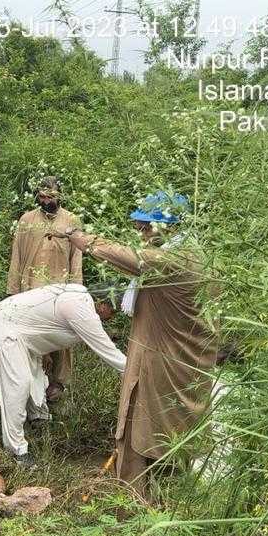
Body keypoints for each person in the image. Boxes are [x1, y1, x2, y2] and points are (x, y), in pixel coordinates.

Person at [53, 191, 218, 496]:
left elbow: (129, 258)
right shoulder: (196, 253)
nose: (140, 234)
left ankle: (132, 502)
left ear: (167, 227)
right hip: (183, 362)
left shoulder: (175, 259)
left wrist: (79, 237)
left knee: (139, 429)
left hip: (161, 361)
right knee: (172, 433)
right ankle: (167, 497)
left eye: (146, 227)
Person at [0, 284, 127, 469]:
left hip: (25, 331)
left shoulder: (80, 297)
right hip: (7, 324)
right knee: (19, 385)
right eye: (113, 313)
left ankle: (38, 419)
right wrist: (134, 373)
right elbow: (107, 350)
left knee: (37, 378)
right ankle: (16, 450)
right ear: (103, 305)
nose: (111, 319)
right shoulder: (81, 308)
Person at [6, 176, 83, 403]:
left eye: (50, 196)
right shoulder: (27, 220)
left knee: (62, 336)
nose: (46, 200)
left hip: (60, 288)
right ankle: (36, 379)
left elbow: (76, 258)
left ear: (60, 195)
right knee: (33, 335)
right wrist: (12, 290)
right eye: (42, 196)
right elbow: (17, 256)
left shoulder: (71, 220)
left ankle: (59, 381)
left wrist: (77, 291)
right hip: (31, 286)